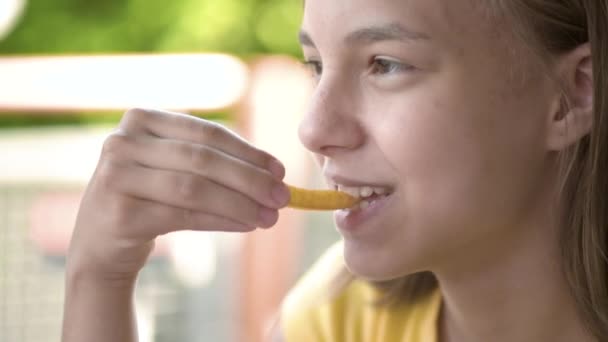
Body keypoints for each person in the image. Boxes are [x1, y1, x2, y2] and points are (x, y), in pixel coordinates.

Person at [61, 0, 607, 341]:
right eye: (316, 65)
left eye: (385, 64)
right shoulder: (334, 321)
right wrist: (98, 278)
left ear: (573, 94)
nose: (313, 128)